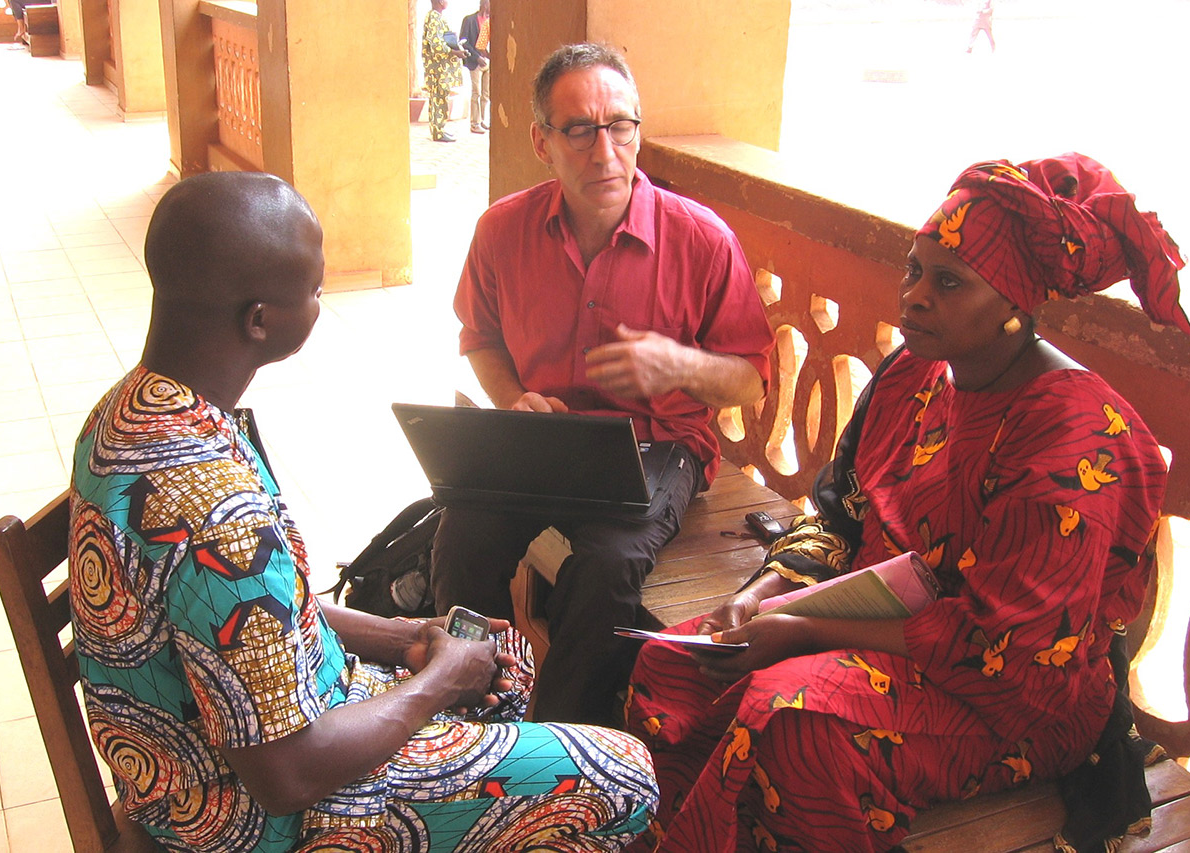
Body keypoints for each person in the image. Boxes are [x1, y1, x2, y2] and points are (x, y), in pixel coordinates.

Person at [68, 171, 660, 852]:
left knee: (506, 667)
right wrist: (438, 681)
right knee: (627, 777)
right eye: (315, 290)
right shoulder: (215, 509)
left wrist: (404, 636)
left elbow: (254, 621)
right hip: (248, 815)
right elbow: (288, 774)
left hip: (201, 755)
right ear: (258, 320)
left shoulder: (130, 412)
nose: (321, 301)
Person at [624, 154, 1190, 853]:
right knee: (674, 663)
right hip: (874, 632)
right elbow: (840, 517)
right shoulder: (914, 372)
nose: (915, 297)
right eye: (914, 270)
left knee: (791, 722)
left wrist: (801, 631)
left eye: (948, 282)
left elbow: (1009, 658)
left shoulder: (1072, 440)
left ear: (1015, 303)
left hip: (1009, 698)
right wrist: (761, 596)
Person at [431, 43, 775, 727]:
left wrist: (679, 366)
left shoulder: (700, 239)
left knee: (608, 565)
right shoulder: (503, 230)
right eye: (580, 130)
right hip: (544, 437)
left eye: (620, 126)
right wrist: (513, 401)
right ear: (542, 142)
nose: (605, 151)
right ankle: (472, 715)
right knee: (460, 535)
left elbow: (752, 381)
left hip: (657, 444)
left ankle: (560, 746)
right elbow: (481, 336)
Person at [421, 0, 466, 142]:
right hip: (437, 69)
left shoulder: (436, 17)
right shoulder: (434, 17)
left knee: (440, 98)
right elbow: (436, 45)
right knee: (438, 98)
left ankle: (439, 130)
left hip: (440, 69)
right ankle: (438, 132)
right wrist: (454, 52)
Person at [459, 0, 491, 134]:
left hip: (488, 62)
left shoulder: (491, 21)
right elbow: (464, 42)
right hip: (476, 63)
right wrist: (477, 57)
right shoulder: (470, 20)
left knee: (486, 94)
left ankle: (482, 120)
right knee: (476, 93)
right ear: (484, 4)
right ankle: (474, 123)